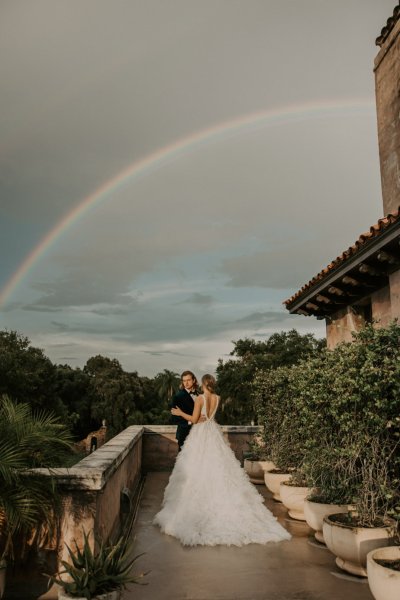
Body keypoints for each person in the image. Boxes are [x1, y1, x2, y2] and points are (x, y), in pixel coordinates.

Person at [153, 374, 291, 546]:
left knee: (197, 468)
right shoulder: (218, 398)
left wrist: (180, 412)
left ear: (203, 384)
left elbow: (195, 420)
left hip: (200, 434)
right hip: (213, 434)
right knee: (219, 467)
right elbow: (210, 418)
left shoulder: (200, 399)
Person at [169, 370, 199, 451]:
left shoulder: (198, 395)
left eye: (188, 380)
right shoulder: (178, 396)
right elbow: (174, 418)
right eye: (184, 381)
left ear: (194, 380)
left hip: (198, 433)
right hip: (184, 433)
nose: (186, 383)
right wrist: (191, 421)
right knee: (183, 461)